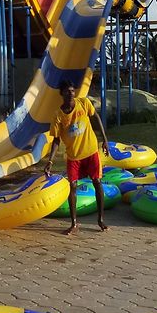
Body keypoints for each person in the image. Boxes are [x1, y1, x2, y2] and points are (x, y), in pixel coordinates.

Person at [42, 80, 110, 235]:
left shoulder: (84, 103)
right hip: (74, 157)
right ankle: (73, 223)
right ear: (62, 94)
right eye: (67, 92)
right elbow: (56, 140)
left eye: (72, 91)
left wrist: (105, 140)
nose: (71, 94)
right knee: (72, 186)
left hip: (91, 152)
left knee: (97, 182)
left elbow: (96, 118)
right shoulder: (58, 116)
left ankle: (100, 220)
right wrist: (50, 161)